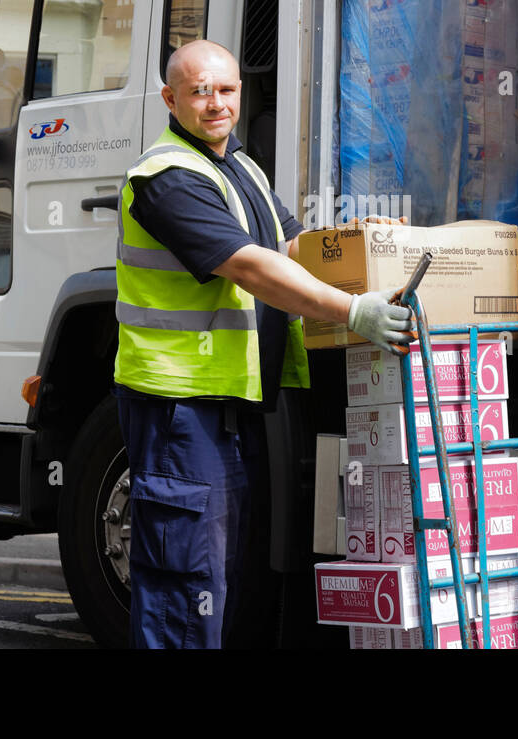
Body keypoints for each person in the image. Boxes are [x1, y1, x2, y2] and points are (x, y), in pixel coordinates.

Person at [114, 39, 412, 649]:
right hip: (181, 411)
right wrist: (353, 310)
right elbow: (251, 266)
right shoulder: (166, 177)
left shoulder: (240, 167)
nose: (215, 102)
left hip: (234, 406)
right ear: (171, 99)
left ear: (240, 93)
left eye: (225, 89)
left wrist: (359, 243)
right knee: (186, 584)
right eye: (199, 91)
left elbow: (291, 245)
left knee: (230, 579)